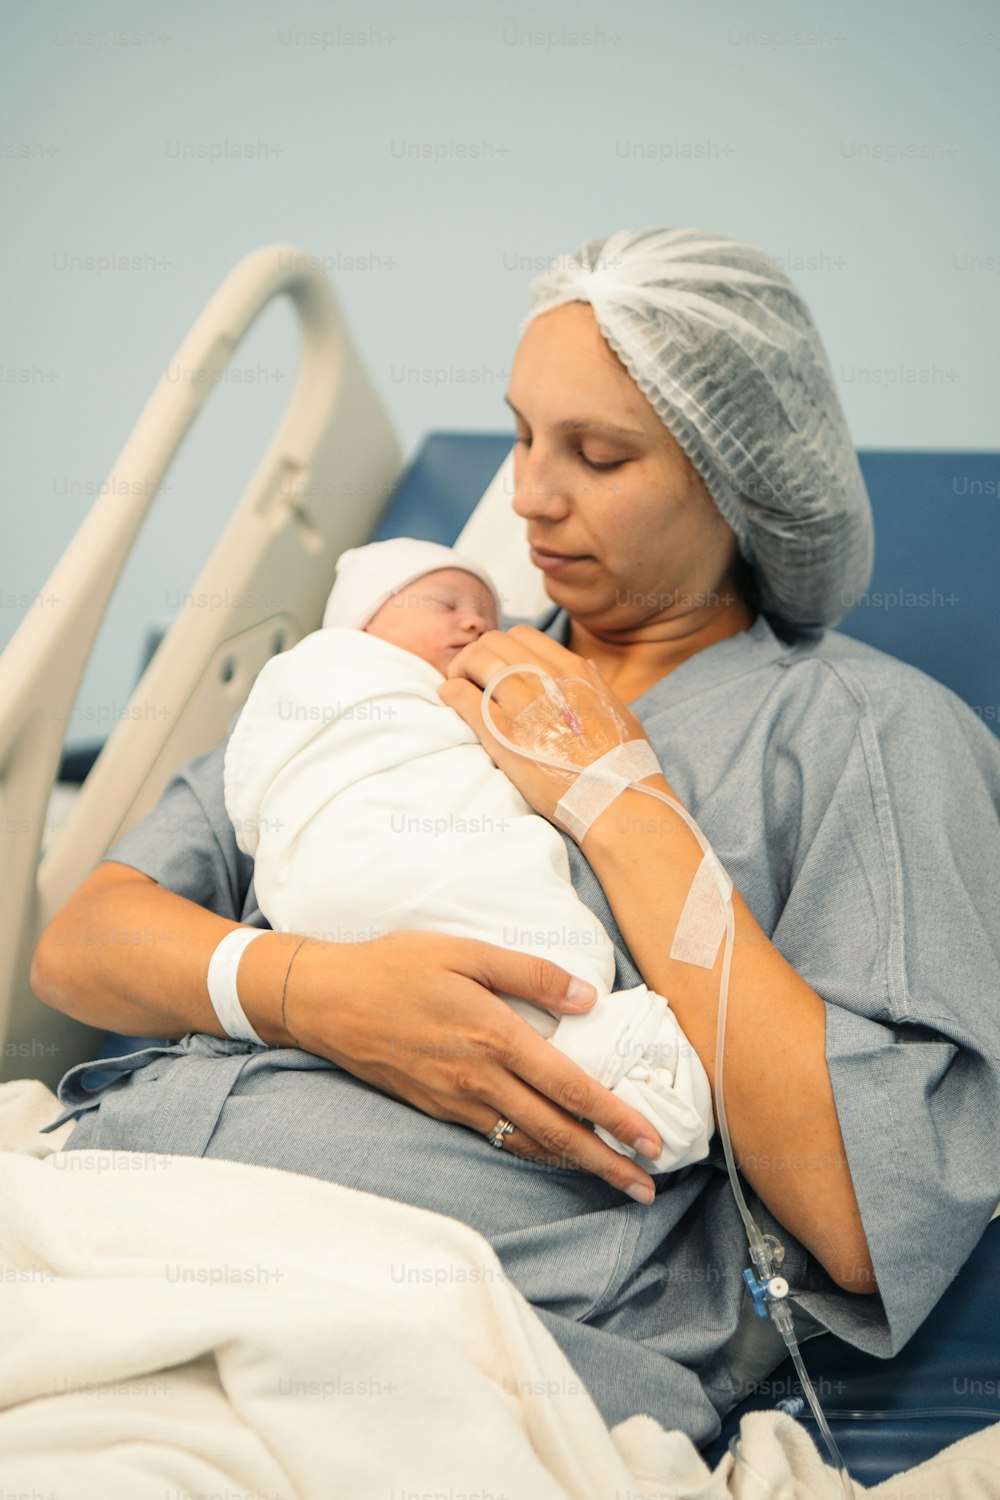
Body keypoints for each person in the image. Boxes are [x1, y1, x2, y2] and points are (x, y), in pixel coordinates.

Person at [32, 228, 1000, 1450]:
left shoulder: (864, 730)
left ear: (736, 482)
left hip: (422, 1329)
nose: (531, 495)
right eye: (524, 434)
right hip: (116, 1211)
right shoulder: (413, 654)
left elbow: (864, 1210)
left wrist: (613, 798)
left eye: (597, 454)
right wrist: (310, 989)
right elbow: (85, 944)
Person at [222, 534, 715, 1175]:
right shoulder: (324, 680)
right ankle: (583, 1053)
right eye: (446, 603)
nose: (477, 621)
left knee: (516, 941)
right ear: (362, 621)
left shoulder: (516, 696)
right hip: (340, 887)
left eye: (487, 612)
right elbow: (83, 946)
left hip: (345, 1151)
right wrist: (297, 989)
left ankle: (573, 1056)